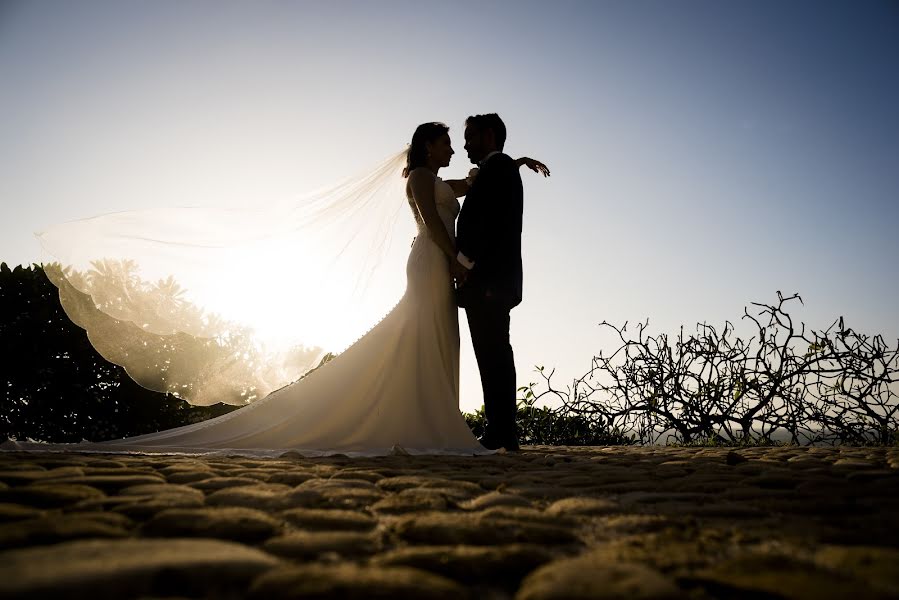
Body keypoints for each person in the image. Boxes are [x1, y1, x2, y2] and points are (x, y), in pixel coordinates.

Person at [3, 120, 548, 457]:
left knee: (426, 338)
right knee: (417, 334)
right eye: (448, 140)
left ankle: (434, 415)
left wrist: (510, 163)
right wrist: (455, 259)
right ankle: (426, 418)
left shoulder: (442, 176)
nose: (454, 146)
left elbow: (471, 183)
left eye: (460, 140)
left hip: (438, 268)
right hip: (432, 264)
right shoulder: (419, 179)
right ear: (430, 146)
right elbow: (433, 221)